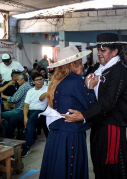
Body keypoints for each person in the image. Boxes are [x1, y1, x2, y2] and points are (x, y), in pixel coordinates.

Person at [63, 33, 127, 179]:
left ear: (114, 52)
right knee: (98, 160)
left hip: (111, 124)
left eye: (104, 50)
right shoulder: (98, 68)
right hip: (97, 121)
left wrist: (83, 115)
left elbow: (108, 101)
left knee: (113, 164)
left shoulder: (119, 70)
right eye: (98, 50)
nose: (99, 53)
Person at [39, 45, 97, 179]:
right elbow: (91, 107)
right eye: (80, 63)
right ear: (73, 65)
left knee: (57, 167)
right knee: (70, 169)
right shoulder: (76, 81)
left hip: (56, 134)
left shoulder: (56, 81)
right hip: (71, 134)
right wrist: (91, 88)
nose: (82, 66)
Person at [20, 72, 48, 157]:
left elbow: (54, 93)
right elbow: (26, 105)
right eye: (37, 80)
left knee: (31, 121)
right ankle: (15, 144)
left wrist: (45, 94)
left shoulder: (47, 88)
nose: (40, 81)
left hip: (40, 111)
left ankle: (26, 146)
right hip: (30, 111)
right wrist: (25, 117)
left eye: (41, 79)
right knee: (14, 119)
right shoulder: (30, 91)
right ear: (33, 81)